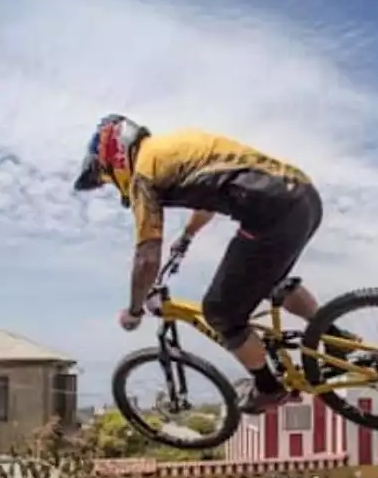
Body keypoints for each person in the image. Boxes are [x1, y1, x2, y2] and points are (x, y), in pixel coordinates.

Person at [72, 114, 350, 413]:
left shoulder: (143, 174)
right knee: (268, 280)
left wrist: (135, 309)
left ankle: (269, 388)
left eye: (104, 177)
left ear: (114, 158)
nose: (111, 185)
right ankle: (336, 338)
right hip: (303, 198)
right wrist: (188, 236)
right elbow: (210, 195)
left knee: (220, 312)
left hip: (271, 211)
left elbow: (147, 257)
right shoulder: (171, 147)